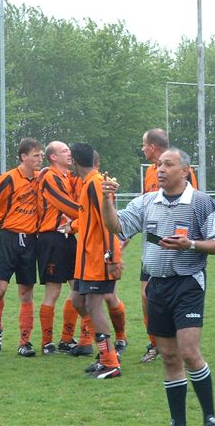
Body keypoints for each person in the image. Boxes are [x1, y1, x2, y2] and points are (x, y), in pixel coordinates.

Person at [102, 147, 215, 425]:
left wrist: (191, 244)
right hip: (156, 286)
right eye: (159, 164)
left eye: (168, 164)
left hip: (188, 283)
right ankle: (178, 421)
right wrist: (106, 199)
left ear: (185, 171)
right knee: (170, 357)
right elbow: (116, 226)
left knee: (189, 353)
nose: (160, 169)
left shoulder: (202, 203)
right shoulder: (147, 201)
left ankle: (209, 416)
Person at [0, 138, 44, 357]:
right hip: (6, 238)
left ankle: (25, 342)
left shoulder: (41, 179)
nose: (40, 159)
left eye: (41, 155)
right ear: (24, 157)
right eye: (36, 155)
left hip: (30, 240)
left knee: (26, 293)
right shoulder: (8, 178)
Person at [139, 128, 198, 363]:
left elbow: (192, 203)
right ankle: (154, 343)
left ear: (152, 146)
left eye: (144, 145)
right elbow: (144, 207)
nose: (142, 149)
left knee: (175, 295)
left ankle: (178, 341)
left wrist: (185, 241)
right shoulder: (149, 172)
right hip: (152, 243)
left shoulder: (184, 171)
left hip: (176, 245)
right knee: (146, 295)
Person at [69, 142, 122, 379]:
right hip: (86, 258)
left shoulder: (96, 183)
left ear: (74, 161)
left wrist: (112, 258)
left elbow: (109, 224)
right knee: (78, 301)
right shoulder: (88, 183)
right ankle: (105, 353)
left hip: (98, 258)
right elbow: (88, 220)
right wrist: (72, 226)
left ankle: (110, 362)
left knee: (93, 305)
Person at [36, 141, 82, 354]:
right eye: (64, 151)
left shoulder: (65, 177)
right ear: (53, 157)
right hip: (51, 238)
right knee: (53, 291)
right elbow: (67, 206)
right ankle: (47, 342)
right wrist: (90, 214)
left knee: (77, 288)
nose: (69, 153)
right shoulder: (50, 178)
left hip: (68, 236)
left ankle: (66, 338)